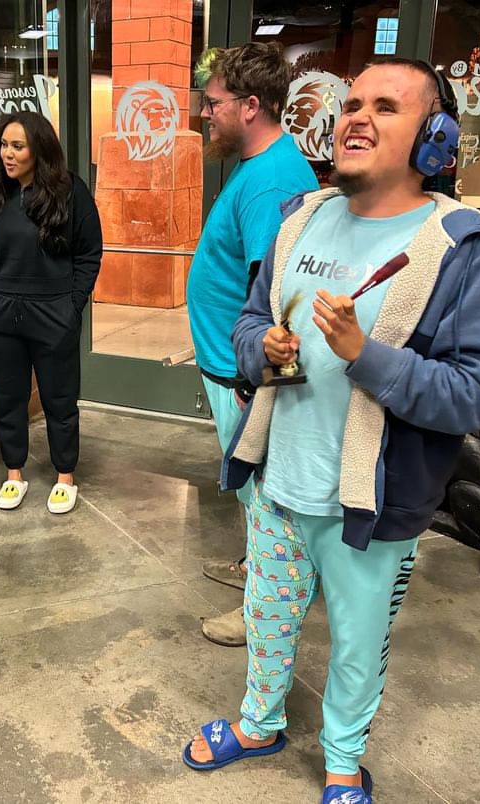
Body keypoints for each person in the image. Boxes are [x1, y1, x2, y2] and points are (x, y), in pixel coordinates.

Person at [182, 59, 480, 804]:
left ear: (434, 137)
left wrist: (368, 357)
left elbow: (476, 395)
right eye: (353, 102)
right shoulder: (300, 217)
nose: (357, 117)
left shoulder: (461, 248)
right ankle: (259, 724)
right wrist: (261, 348)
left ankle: (341, 762)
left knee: (358, 644)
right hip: (278, 483)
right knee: (268, 618)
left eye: (386, 107)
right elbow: (249, 319)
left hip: (374, 504)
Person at [186, 43, 318, 647]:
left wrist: (255, 378)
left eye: (213, 103)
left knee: (264, 495)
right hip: (233, 366)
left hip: (246, 374)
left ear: (250, 106)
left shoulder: (270, 182)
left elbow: (277, 293)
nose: (204, 113)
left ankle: (263, 609)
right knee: (253, 492)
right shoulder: (259, 165)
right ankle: (253, 570)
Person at [0, 111, 102, 513]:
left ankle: (65, 476)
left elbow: (89, 253)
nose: (6, 154)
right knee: (8, 398)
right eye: (3, 145)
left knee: (60, 399)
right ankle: (14, 474)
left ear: (39, 150)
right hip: (0, 311)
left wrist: (71, 305)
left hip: (53, 310)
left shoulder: (70, 191)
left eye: (17, 146)